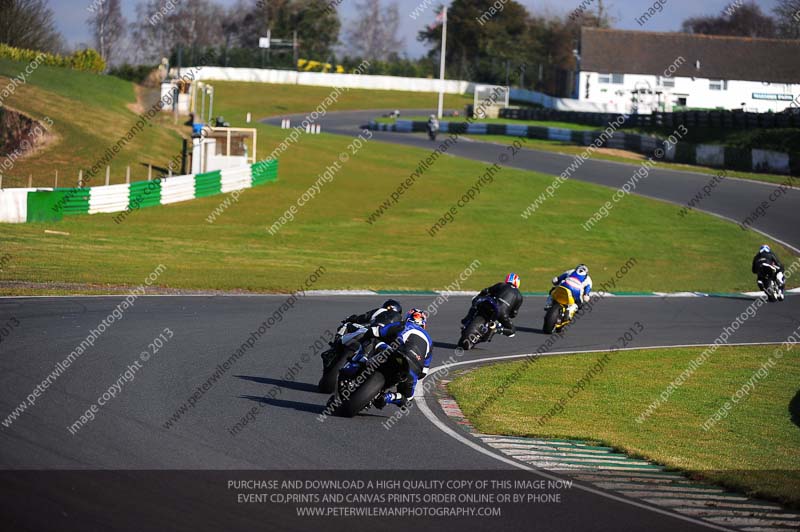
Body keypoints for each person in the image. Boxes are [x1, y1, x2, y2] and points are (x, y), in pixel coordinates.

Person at [354, 309, 433, 409]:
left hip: (398, 355)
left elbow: (378, 332)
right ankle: (389, 397)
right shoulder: (429, 341)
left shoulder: (404, 325)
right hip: (413, 370)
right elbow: (424, 372)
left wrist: (363, 338)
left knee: (375, 340)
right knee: (407, 400)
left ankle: (360, 361)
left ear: (408, 318)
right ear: (423, 324)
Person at [461, 273, 523, 338]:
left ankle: (467, 319)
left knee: (476, 302)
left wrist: (479, 296)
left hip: (491, 305)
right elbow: (514, 313)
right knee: (512, 330)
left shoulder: (501, 285)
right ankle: (495, 330)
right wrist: (508, 314)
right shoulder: (519, 296)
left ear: (507, 279)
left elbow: (486, 291)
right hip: (502, 314)